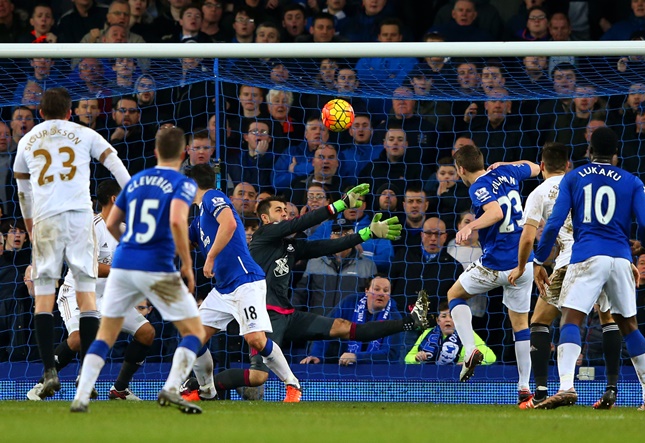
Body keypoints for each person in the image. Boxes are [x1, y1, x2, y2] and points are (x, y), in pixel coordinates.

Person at [205, 187, 428, 396]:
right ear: (265, 218)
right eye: (278, 210)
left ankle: (412, 321)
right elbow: (299, 223)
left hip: (287, 315)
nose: (284, 214)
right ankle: (200, 387)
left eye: (286, 210)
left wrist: (366, 233)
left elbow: (326, 246)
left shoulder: (290, 246)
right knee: (257, 377)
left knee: (344, 327)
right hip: (263, 316)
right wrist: (338, 206)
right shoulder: (263, 236)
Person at [70, 127, 205, 414]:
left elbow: (110, 224)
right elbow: (179, 223)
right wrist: (187, 264)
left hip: (124, 265)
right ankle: (171, 389)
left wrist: (131, 243)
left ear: (155, 152)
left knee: (105, 333)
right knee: (194, 330)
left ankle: (81, 396)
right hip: (157, 266)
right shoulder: (182, 183)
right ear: (183, 154)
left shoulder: (137, 180)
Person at [533, 127, 645, 411]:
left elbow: (554, 224)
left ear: (589, 152)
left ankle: (567, 386)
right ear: (616, 155)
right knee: (629, 325)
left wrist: (540, 258)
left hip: (587, 255)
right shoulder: (633, 181)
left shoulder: (574, 177)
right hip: (619, 258)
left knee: (570, 318)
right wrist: (643, 245)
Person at [12, 87, 131, 400]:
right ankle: (86, 376)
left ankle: (49, 371)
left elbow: (23, 194)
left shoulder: (27, 141)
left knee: (43, 298)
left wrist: (30, 228)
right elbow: (114, 162)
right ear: (69, 112)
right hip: (79, 218)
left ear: (41, 113)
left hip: (45, 221)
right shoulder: (84, 132)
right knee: (86, 296)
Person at [507, 142, 623, 409]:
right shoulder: (585, 183)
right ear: (569, 165)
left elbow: (527, 237)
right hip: (605, 256)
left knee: (539, 320)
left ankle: (542, 390)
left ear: (543, 166)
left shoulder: (539, 192)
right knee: (608, 318)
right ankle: (611, 390)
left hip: (571, 261)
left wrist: (529, 264)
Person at [26, 180, 155, 402]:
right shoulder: (89, 228)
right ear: (115, 199)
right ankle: (41, 385)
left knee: (146, 333)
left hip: (109, 298)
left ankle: (120, 390)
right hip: (77, 294)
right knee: (77, 339)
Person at [183, 164, 302, 403]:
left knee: (255, 339)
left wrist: (211, 256)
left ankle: (293, 386)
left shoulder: (211, 197)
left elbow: (229, 223)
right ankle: (206, 391)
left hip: (246, 281)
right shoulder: (198, 221)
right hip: (224, 288)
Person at [446, 144, 540, 404]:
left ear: (461, 169)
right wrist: (506, 164)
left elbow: (496, 212)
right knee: (520, 325)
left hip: (495, 263)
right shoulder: (508, 171)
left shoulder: (477, 186)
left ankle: (470, 348)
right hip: (523, 262)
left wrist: (471, 227)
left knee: (454, 295)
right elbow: (535, 167)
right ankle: (524, 388)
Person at [306, 275, 404, 365]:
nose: (381, 293)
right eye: (377, 289)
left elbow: (391, 354)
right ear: (366, 291)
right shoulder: (350, 303)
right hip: (346, 367)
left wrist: (357, 357)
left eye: (386, 291)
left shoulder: (395, 317)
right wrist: (316, 355)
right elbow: (327, 328)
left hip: (380, 372)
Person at [405, 301, 496, 366]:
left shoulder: (467, 333)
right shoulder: (428, 333)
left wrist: (471, 362)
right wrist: (416, 358)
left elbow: (491, 357)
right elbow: (407, 359)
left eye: (452, 316)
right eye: (444, 316)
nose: (448, 319)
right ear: (438, 320)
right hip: (430, 379)